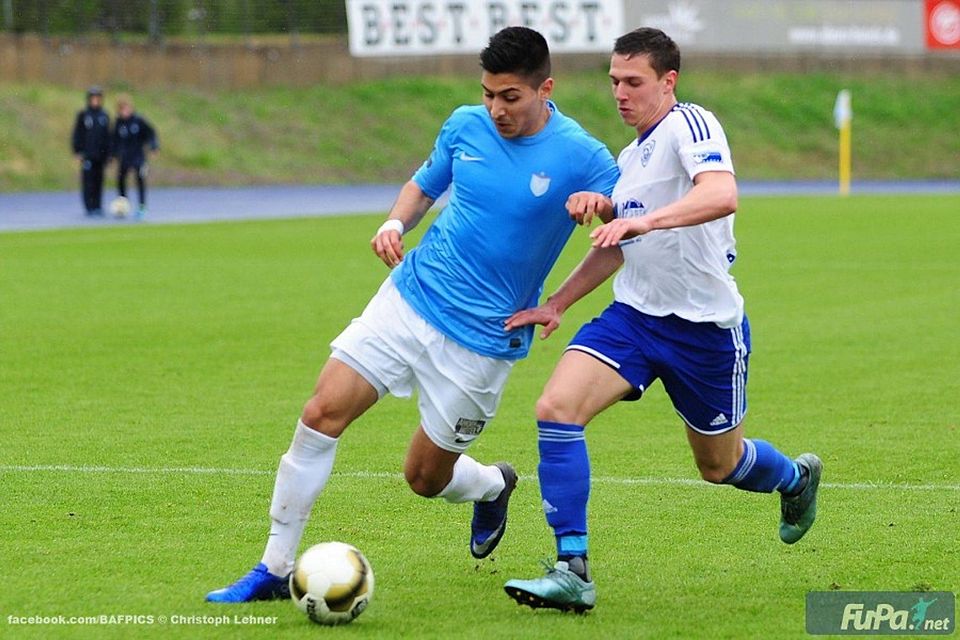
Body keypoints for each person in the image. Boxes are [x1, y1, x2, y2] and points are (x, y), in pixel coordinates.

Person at [205, 26, 619, 603]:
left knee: (424, 478)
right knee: (321, 412)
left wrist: (598, 217)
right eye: (488, 94)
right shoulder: (464, 124)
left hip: (482, 338)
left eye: (510, 97)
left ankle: (492, 485)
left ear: (545, 88)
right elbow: (424, 186)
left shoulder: (582, 155)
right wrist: (395, 222)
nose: (495, 109)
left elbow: (624, 231)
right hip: (410, 297)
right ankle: (274, 568)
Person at [502, 28, 822, 613]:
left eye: (633, 82)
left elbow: (721, 194)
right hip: (634, 318)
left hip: (705, 330)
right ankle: (572, 568)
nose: (620, 94)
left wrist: (640, 222)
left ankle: (794, 479)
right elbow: (614, 247)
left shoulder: (690, 125)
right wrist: (558, 303)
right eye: (614, 82)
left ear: (668, 82)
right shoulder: (629, 159)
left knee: (718, 466)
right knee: (555, 409)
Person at [111, 94, 158, 219]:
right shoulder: (118, 124)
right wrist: (113, 155)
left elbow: (151, 133)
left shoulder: (139, 121)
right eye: (122, 109)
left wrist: (153, 146)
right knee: (121, 179)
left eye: (127, 108)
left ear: (131, 108)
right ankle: (123, 205)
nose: (125, 111)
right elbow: (114, 141)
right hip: (125, 157)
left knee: (140, 179)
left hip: (138, 156)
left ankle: (142, 207)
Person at [71, 86, 111, 216]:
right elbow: (77, 134)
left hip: (101, 155)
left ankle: (98, 206)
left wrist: (109, 154)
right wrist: (77, 151)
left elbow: (108, 136)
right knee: (88, 182)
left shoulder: (104, 115)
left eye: (97, 98)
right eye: (93, 98)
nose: (95, 101)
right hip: (87, 155)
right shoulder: (83, 115)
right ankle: (89, 207)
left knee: (99, 181)